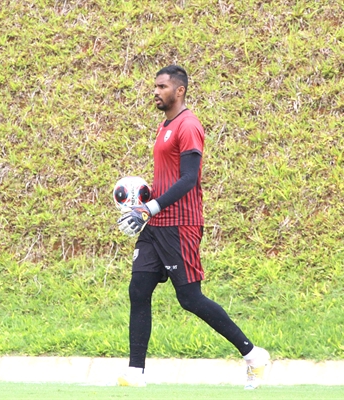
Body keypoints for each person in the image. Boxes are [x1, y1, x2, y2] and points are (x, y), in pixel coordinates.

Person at [116, 65, 269, 389]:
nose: (155, 92)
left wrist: (152, 206)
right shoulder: (165, 125)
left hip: (180, 225)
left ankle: (254, 356)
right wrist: (142, 202)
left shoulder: (188, 125)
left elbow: (189, 179)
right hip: (156, 224)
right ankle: (135, 374)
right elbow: (169, 176)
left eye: (161, 86)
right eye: (155, 86)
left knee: (189, 298)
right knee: (138, 290)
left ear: (179, 90)